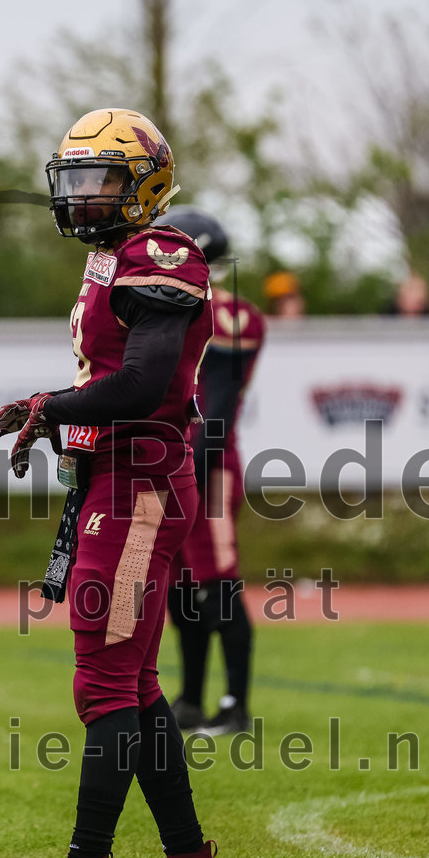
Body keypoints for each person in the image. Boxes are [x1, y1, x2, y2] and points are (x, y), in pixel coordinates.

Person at [0, 108, 226, 858]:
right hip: (121, 482)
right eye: (76, 179)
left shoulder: (161, 254)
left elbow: (147, 386)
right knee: (136, 684)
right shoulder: (114, 256)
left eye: (102, 180)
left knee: (106, 682)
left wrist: (50, 405)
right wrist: (65, 427)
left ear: (147, 183)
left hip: (140, 491)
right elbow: (117, 388)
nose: (84, 197)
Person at [160, 209, 266, 737]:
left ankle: (235, 705)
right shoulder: (174, 308)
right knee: (180, 587)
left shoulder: (232, 316)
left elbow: (217, 410)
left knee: (218, 582)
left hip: (208, 466)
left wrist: (191, 472)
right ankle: (191, 698)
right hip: (170, 464)